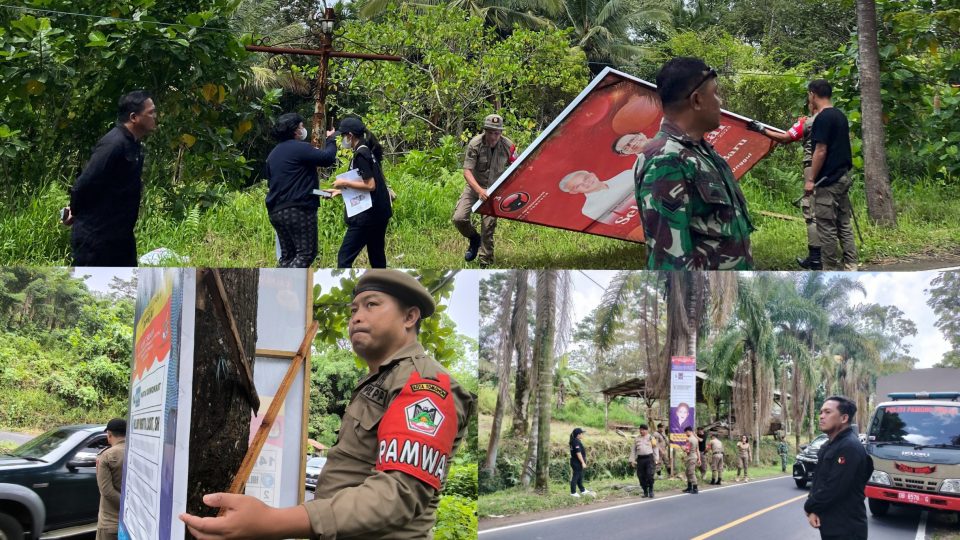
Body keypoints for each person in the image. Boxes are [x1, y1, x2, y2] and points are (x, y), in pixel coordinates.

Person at [180, 269, 474, 539]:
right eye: (354, 310)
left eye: (372, 305)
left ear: (410, 317)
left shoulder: (425, 385)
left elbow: (398, 494)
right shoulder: (381, 380)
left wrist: (271, 522)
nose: (357, 317)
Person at [635, 57, 754, 270]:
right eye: (715, 93)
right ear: (697, 100)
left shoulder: (701, 151)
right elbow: (670, 262)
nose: (720, 101)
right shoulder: (666, 160)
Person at [65, 90, 157, 266]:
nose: (155, 116)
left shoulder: (134, 144)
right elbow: (84, 183)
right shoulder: (114, 144)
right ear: (134, 117)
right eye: (150, 112)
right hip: (96, 239)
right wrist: (74, 211)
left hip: (120, 237)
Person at [747, 97, 822, 269]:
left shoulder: (807, 122)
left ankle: (816, 259)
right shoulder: (836, 120)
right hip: (833, 171)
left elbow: (785, 137)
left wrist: (762, 130)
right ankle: (843, 255)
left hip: (813, 169)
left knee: (811, 214)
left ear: (813, 104)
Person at [264, 112, 338, 268]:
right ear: (295, 131)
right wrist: (331, 139)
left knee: (288, 256)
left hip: (276, 212)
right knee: (306, 254)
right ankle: (291, 286)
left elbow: (287, 187)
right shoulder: (300, 148)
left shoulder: (272, 155)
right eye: (302, 126)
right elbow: (327, 158)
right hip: (298, 211)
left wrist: (323, 193)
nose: (304, 129)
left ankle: (280, 284)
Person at [804, 396, 873, 540]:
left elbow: (834, 486)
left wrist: (810, 506)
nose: (821, 416)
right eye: (821, 412)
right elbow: (819, 480)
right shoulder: (829, 445)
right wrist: (814, 508)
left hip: (847, 528)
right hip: (831, 523)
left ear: (844, 418)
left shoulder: (849, 447)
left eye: (828, 412)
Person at [452, 114, 517, 267]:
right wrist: (479, 190)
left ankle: (485, 261)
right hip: (475, 187)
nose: (493, 136)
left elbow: (517, 168)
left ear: (501, 133)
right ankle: (474, 239)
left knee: (488, 227)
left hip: (494, 191)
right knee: (459, 218)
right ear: (485, 131)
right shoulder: (475, 144)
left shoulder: (508, 146)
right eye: (490, 132)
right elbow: (467, 171)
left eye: (497, 133)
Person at [805, 79, 856, 271]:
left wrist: (811, 179)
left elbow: (820, 150)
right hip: (843, 177)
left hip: (828, 182)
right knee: (844, 224)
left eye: (809, 95)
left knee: (826, 227)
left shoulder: (823, 118)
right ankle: (851, 265)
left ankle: (830, 269)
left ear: (813, 94)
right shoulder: (840, 116)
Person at [332, 116, 393, 268]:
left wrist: (344, 182)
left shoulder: (361, 154)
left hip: (368, 216)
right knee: (377, 258)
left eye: (342, 136)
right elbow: (366, 181)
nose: (342, 140)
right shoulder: (367, 150)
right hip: (380, 213)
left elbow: (370, 184)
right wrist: (339, 191)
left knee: (344, 258)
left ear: (350, 136)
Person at [558, 169, 635, 224]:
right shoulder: (589, 209)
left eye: (586, 178)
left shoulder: (626, 174)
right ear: (574, 192)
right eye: (578, 186)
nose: (586, 183)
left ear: (593, 174)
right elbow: (618, 222)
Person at [96, 418, 126, 540]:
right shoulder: (137, 452)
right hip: (132, 524)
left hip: (110, 523)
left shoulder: (106, 456)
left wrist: (125, 505)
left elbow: (106, 491)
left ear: (109, 434)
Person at [629, 424, 660, 498]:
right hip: (640, 459)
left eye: (643, 430)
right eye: (640, 429)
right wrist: (631, 460)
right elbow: (633, 450)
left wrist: (656, 458)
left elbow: (655, 448)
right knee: (641, 476)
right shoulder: (636, 439)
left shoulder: (651, 438)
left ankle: (651, 490)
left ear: (647, 430)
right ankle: (645, 491)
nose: (641, 431)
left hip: (649, 458)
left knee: (649, 475)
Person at [569, 427, 595, 497]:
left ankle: (582, 490)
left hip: (576, 461)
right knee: (576, 476)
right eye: (582, 434)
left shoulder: (575, 440)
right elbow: (578, 453)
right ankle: (573, 492)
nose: (583, 435)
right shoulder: (576, 442)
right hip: (576, 462)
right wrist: (583, 462)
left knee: (580, 476)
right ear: (578, 434)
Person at [682, 426, 700, 494]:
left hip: (691, 457)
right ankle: (689, 487)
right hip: (694, 457)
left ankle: (695, 488)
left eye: (685, 432)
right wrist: (699, 458)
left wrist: (682, 448)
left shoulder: (689, 439)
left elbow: (687, 450)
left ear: (688, 431)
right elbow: (697, 450)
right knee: (687, 472)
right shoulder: (696, 439)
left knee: (691, 473)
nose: (685, 434)